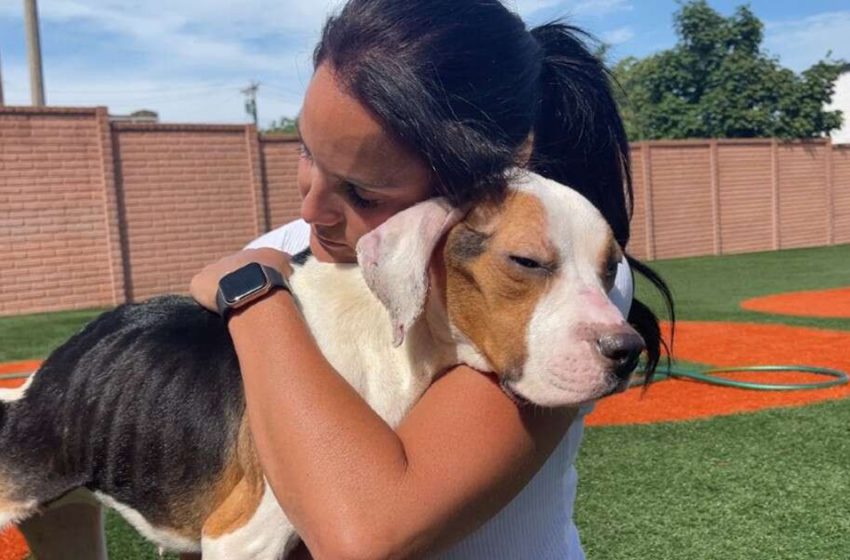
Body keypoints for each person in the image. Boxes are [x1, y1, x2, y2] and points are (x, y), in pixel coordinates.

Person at [20, 0, 671, 558]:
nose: (310, 211)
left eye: (361, 188)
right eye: (307, 151)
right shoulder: (287, 249)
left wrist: (252, 294)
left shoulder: (559, 293)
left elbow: (364, 531)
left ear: (494, 177)